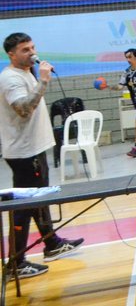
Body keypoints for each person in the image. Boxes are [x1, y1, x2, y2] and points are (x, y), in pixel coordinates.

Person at [0, 33, 84, 278]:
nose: (32, 53)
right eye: (25, 49)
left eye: (32, 47)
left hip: (36, 148)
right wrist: (44, 81)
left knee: (40, 200)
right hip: (24, 153)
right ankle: (16, 263)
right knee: (24, 207)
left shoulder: (26, 73)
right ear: (11, 54)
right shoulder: (10, 79)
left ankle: (51, 243)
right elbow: (24, 109)